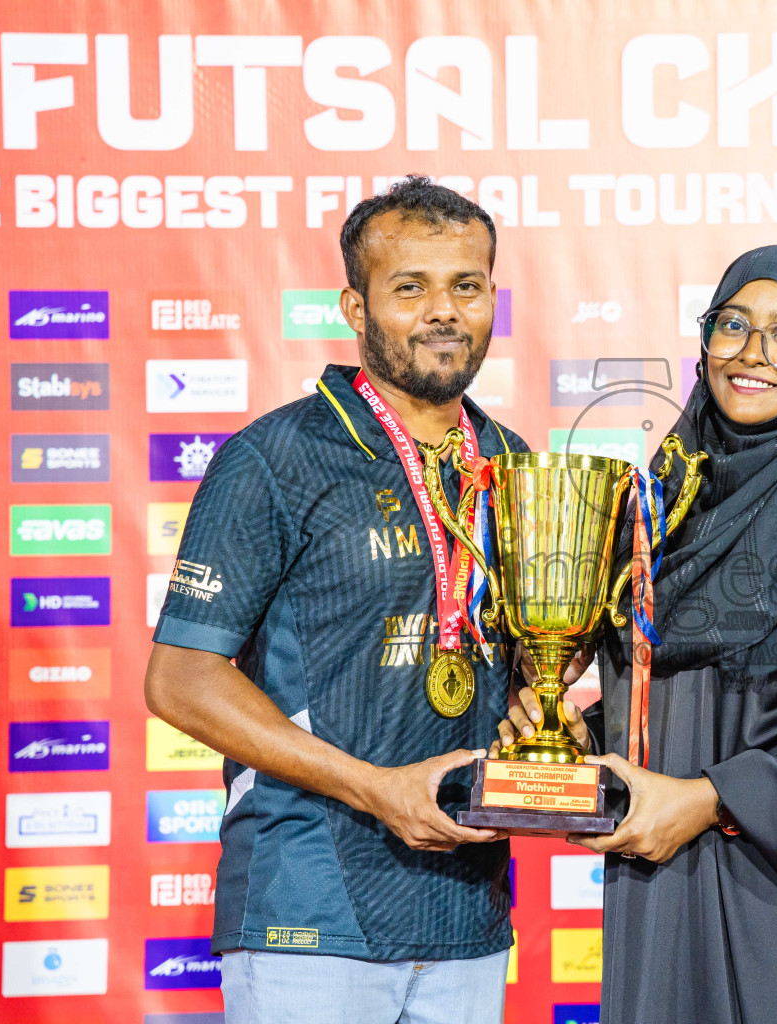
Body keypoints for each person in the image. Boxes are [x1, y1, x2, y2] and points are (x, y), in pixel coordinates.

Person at [498, 244, 777, 1024]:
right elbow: (686, 707)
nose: (751, 354)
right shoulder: (659, 511)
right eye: (730, 324)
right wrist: (576, 735)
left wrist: (706, 801)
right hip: (656, 899)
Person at [145, 176, 527, 1024]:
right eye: (409, 288)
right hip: (306, 914)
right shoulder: (274, 457)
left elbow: (517, 658)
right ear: (354, 308)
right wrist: (373, 788)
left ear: (493, 297)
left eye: (465, 286)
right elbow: (180, 679)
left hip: (467, 913)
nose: (443, 312)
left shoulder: (513, 461)